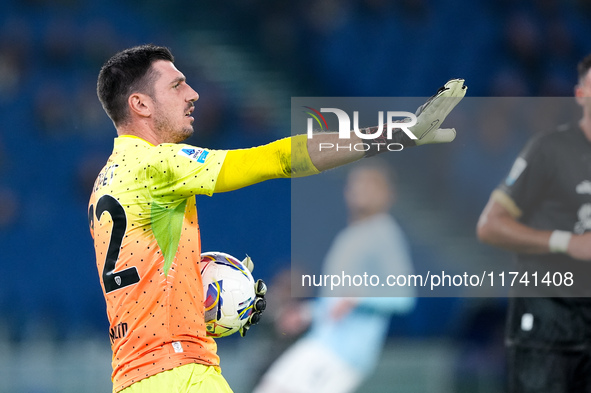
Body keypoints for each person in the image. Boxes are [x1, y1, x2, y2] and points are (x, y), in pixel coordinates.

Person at [88, 44, 466, 393]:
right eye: (177, 86)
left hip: (132, 379)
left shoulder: (106, 182)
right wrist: (399, 134)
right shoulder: (158, 165)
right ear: (140, 104)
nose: (193, 94)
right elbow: (279, 159)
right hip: (181, 375)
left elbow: (149, 275)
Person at [477, 54, 591, 392]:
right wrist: (565, 241)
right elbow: (489, 225)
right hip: (547, 325)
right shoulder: (549, 150)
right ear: (580, 94)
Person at [252, 160, 416, 393]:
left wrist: (359, 298)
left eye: (370, 185)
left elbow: (403, 297)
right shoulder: (351, 236)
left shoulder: (384, 233)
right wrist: (308, 313)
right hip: (323, 340)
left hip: (345, 352)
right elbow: (338, 301)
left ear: (387, 194)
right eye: (357, 184)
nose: (361, 190)